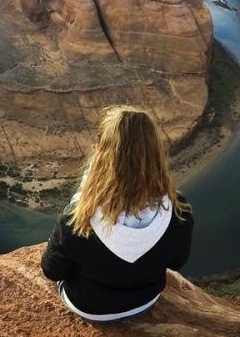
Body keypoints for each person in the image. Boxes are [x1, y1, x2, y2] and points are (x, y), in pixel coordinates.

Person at [41, 105, 194, 322]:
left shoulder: (78, 218)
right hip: (145, 301)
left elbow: (51, 271)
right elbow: (177, 262)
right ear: (155, 154)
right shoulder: (178, 210)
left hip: (88, 307)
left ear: (100, 152)